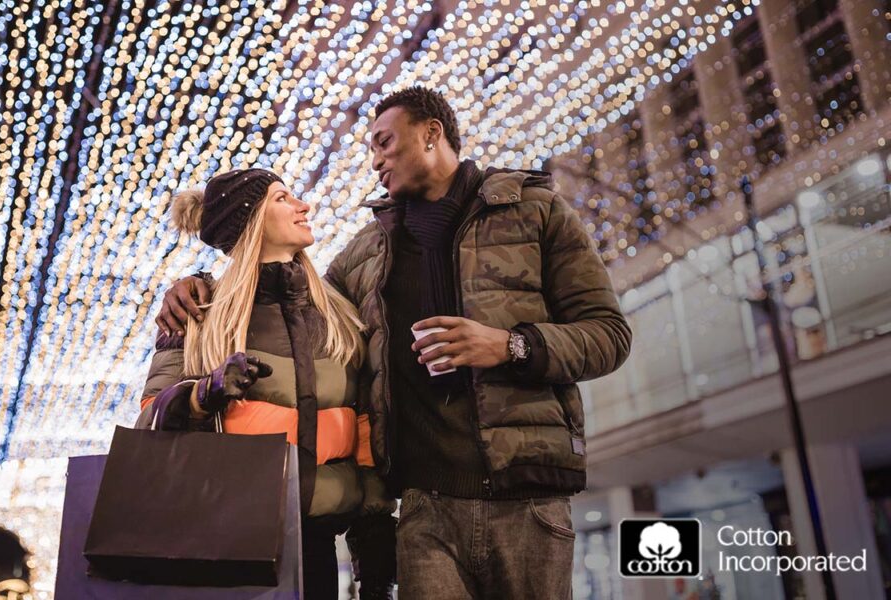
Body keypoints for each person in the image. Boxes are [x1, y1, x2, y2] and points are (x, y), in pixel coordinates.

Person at [154, 87, 633, 599]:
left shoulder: (534, 212)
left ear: (431, 133)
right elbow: (283, 299)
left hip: (525, 498)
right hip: (421, 508)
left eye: (384, 142)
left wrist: (509, 346)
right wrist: (195, 284)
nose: (375, 159)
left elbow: (608, 335)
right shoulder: (366, 253)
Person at [135, 169, 397, 600]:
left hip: (316, 549)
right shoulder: (198, 314)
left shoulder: (339, 317)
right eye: (282, 198)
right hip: (223, 545)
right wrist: (205, 395)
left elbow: (364, 434)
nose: (303, 205)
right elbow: (149, 421)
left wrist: (375, 547)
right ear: (251, 219)